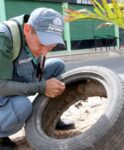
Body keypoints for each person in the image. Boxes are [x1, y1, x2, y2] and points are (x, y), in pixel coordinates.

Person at [0, 7, 74, 149]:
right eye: (41, 44)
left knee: (57, 65)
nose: (45, 51)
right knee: (22, 106)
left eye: (50, 46)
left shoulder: (34, 35)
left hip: (14, 76)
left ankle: (52, 116)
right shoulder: (3, 39)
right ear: (27, 29)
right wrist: (42, 86)